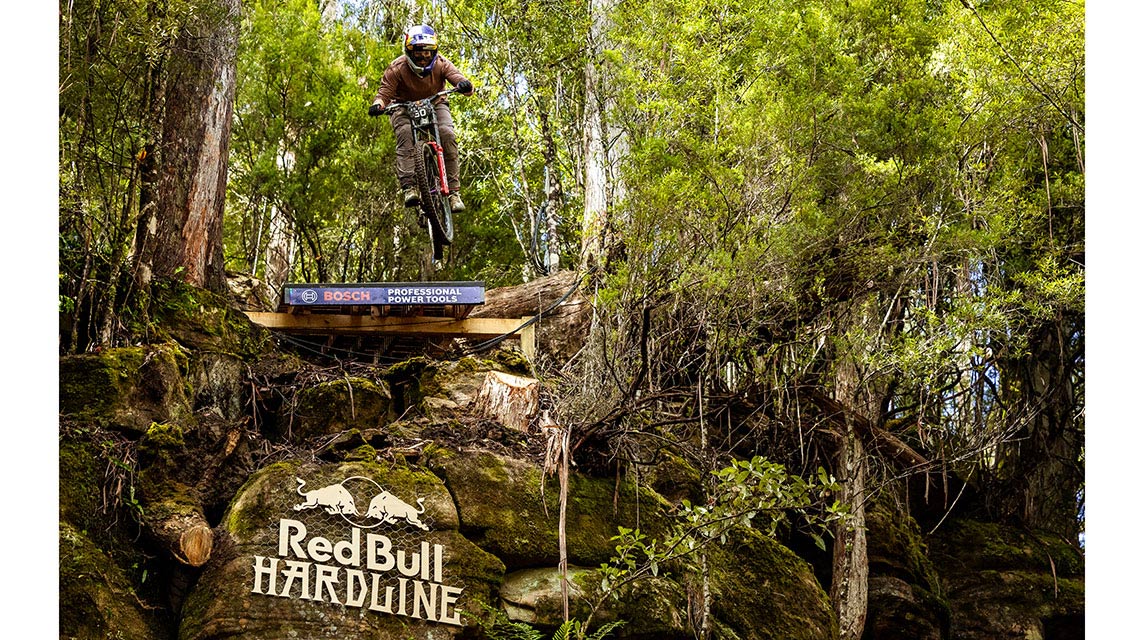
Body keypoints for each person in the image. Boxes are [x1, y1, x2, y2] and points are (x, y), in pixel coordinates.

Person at [368, 24, 474, 213]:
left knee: (447, 134)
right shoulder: (397, 68)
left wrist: (464, 85)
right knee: (405, 134)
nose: (424, 57)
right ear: (409, 51)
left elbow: (458, 79)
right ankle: (409, 187)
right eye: (418, 52)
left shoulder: (442, 63)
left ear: (434, 51)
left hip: (436, 103)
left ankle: (453, 193)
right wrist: (378, 104)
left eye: (428, 52)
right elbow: (384, 93)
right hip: (403, 107)